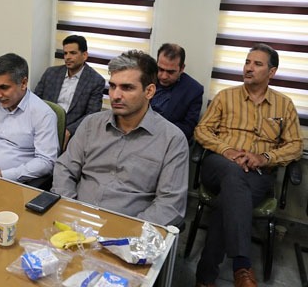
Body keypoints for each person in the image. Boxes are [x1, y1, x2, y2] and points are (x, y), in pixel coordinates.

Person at [193, 43, 303, 287]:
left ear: (271, 72)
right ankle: (242, 265)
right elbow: (202, 130)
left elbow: (295, 145)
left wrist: (265, 158)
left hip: (258, 173)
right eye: (247, 62)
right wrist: (227, 150)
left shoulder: (284, 104)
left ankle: (204, 277)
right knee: (233, 173)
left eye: (257, 64)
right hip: (219, 164)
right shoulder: (225, 97)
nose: (249, 68)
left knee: (228, 200)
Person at [52, 50, 189, 227]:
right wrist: (70, 210)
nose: (115, 95)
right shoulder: (91, 124)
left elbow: (169, 206)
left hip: (129, 232)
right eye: (112, 86)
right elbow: (64, 169)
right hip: (74, 222)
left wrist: (127, 234)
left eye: (127, 88)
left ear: (149, 91)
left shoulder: (172, 140)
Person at [0, 53, 59, 183]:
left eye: (4, 87)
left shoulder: (43, 114)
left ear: (23, 83)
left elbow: (46, 161)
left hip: (14, 183)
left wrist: (3, 175)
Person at [34, 35, 105, 148]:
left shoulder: (95, 80)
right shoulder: (51, 73)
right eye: (65, 53)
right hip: (44, 126)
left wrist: (69, 131)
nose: (67, 57)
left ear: (84, 55)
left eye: (73, 53)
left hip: (73, 132)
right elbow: (35, 100)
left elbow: (92, 115)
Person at [150, 43, 203, 141]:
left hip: (167, 139)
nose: (164, 76)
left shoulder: (194, 90)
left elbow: (188, 128)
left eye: (170, 72)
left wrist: (158, 131)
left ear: (182, 68)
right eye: (160, 69)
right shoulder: (145, 78)